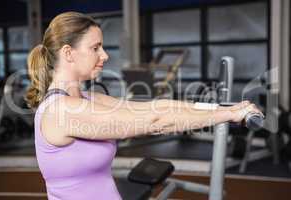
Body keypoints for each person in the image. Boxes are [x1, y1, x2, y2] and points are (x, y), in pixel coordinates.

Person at [25, 11, 262, 200]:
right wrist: (227, 114)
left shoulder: (90, 98)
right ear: (68, 53)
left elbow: (154, 107)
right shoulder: (60, 111)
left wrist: (220, 109)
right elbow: (154, 121)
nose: (105, 55)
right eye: (95, 48)